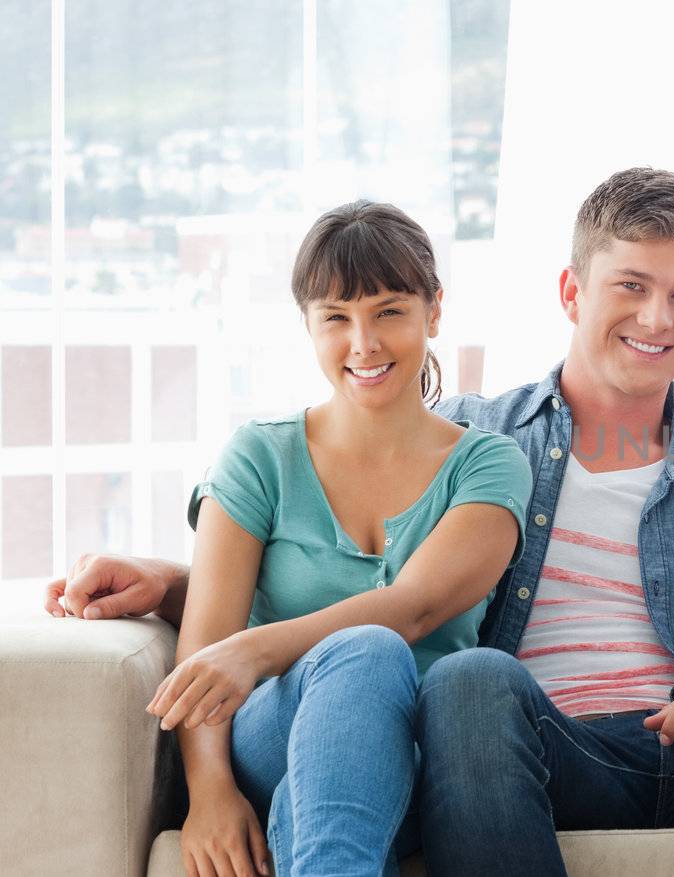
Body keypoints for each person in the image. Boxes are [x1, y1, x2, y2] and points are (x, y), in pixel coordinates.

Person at [51, 169, 674, 877]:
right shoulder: (476, 444)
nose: (656, 317)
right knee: (472, 680)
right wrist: (174, 580)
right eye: (632, 286)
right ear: (571, 291)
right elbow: (366, 561)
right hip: (537, 745)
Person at [142, 200, 530, 876]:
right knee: (364, 654)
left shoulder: (489, 466)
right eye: (337, 318)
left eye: (388, 311)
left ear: (433, 312)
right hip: (275, 728)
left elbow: (415, 607)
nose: (364, 343)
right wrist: (209, 793)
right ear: (309, 326)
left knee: (317, 794)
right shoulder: (259, 457)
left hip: (419, 754)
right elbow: (204, 647)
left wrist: (255, 647)